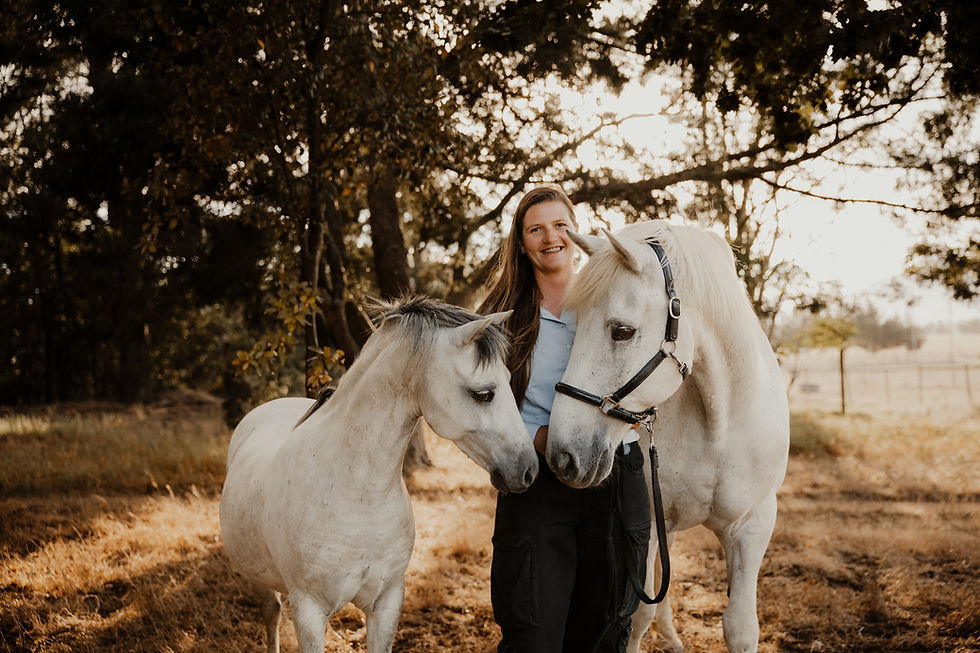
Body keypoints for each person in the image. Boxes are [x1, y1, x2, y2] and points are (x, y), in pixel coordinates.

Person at [477, 185, 652, 653]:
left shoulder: (617, 299)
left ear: (576, 231)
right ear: (520, 243)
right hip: (538, 483)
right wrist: (535, 438)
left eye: (560, 225)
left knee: (605, 633)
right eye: (535, 229)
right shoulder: (500, 318)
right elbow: (480, 407)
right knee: (533, 633)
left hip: (616, 478)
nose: (551, 237)